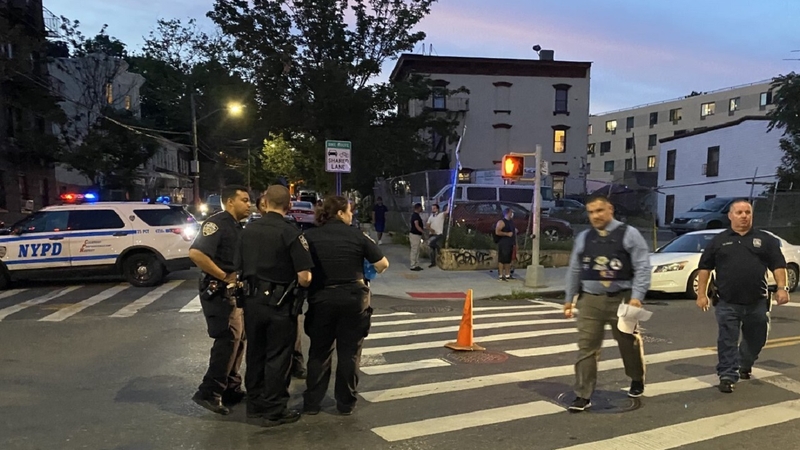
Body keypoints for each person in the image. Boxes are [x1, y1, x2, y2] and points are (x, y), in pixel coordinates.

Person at [563, 194, 651, 412]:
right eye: (591, 212)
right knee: (587, 347)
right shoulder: (584, 237)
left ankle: (636, 377)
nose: (595, 216)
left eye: (599, 210)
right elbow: (575, 269)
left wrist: (637, 296)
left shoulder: (629, 234)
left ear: (610, 209)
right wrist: (569, 298)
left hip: (622, 298)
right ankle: (583, 394)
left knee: (628, 343)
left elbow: (642, 266)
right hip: (590, 300)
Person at [302, 196, 389, 415]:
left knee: (319, 351)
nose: (352, 215)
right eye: (350, 211)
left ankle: (312, 403)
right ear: (340, 213)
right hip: (353, 300)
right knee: (349, 352)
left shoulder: (310, 236)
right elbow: (382, 264)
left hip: (322, 298)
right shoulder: (357, 235)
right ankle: (345, 403)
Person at [696, 198, 790, 393]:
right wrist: (701, 294)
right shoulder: (719, 241)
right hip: (727, 302)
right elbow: (705, 268)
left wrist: (782, 288)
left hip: (757, 302)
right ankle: (727, 375)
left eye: (748, 212)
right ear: (730, 216)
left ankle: (744, 363)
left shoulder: (765, 240)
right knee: (727, 340)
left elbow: (778, 265)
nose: (744, 216)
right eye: (739, 213)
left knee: (757, 339)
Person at [238, 185, 314, 427]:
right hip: (280, 304)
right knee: (278, 357)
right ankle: (274, 409)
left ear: (264, 203)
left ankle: (254, 404)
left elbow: (237, 265)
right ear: (289, 205)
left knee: (255, 353)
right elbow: (305, 276)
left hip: (251, 301)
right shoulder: (291, 233)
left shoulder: (247, 230)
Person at [189, 185, 251, 415]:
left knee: (238, 339)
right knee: (227, 339)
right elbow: (196, 253)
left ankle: (231, 388)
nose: (249, 204)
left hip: (233, 292)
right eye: (244, 200)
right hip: (219, 291)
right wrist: (224, 276)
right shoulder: (217, 224)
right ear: (230, 201)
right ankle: (209, 391)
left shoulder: (236, 225)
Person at [256, 196, 308, 380]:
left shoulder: (287, 229)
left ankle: (295, 364)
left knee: (289, 337)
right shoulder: (255, 230)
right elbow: (305, 276)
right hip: (271, 295)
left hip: (276, 295)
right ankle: (274, 388)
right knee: (276, 347)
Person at [494, 207, 517, 281]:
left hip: (510, 243)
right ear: (507, 213)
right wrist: (507, 234)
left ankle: (507, 275)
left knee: (508, 260)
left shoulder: (511, 222)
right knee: (502, 259)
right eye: (511, 212)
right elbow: (497, 232)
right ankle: (501, 275)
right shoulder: (501, 222)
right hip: (503, 243)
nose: (512, 214)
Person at [426, 203, 448, 268]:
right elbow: (427, 225)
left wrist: (449, 203)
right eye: (432, 208)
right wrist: (430, 229)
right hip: (432, 234)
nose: (433, 209)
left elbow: (447, 212)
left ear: (437, 209)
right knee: (431, 250)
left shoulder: (441, 215)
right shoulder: (431, 216)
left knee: (430, 243)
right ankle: (433, 262)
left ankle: (438, 248)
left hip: (438, 234)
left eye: (434, 208)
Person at [409, 203, 424, 271]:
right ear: (418, 208)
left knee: (417, 250)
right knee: (414, 250)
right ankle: (413, 265)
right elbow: (417, 225)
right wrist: (423, 232)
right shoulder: (415, 216)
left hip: (417, 235)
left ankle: (416, 264)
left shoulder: (416, 215)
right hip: (414, 235)